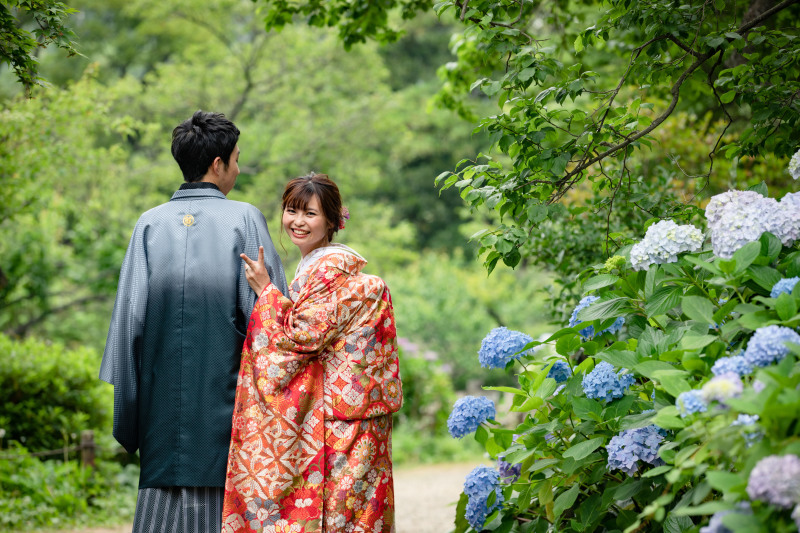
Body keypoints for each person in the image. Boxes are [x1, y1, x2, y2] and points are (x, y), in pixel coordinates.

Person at [100, 110, 288, 533]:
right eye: (236, 159)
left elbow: (129, 325)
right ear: (218, 165)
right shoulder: (244, 219)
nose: (238, 168)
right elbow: (274, 319)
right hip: (228, 410)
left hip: (160, 411)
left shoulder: (148, 224)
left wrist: (131, 420)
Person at [222, 173, 403, 533]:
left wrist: (266, 292)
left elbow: (299, 337)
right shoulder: (323, 268)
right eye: (291, 211)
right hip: (355, 414)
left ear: (333, 221)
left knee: (341, 515)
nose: (297, 222)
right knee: (355, 515)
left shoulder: (325, 271)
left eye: (310, 214)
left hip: (340, 421)